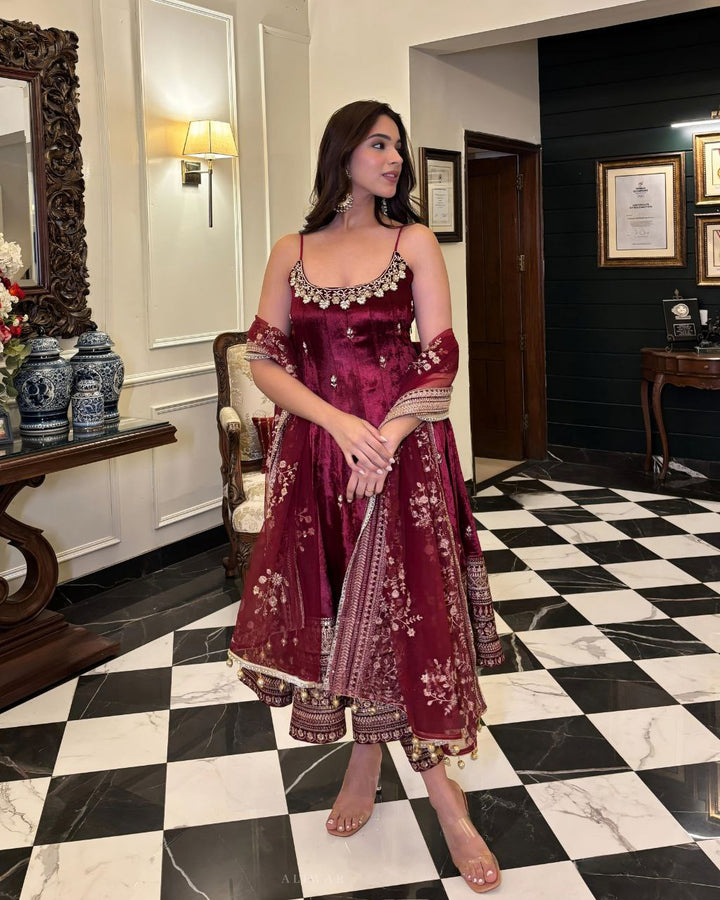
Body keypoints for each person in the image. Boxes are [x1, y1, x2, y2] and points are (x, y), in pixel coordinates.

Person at [228, 99, 504, 893]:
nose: (394, 158)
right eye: (379, 144)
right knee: (341, 607)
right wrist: (338, 425)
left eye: (398, 148)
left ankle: (447, 801)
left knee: (409, 616)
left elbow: (440, 356)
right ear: (342, 152)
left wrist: (381, 441)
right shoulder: (292, 250)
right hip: (320, 459)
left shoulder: (412, 241)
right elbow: (264, 359)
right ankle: (364, 758)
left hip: (405, 456)